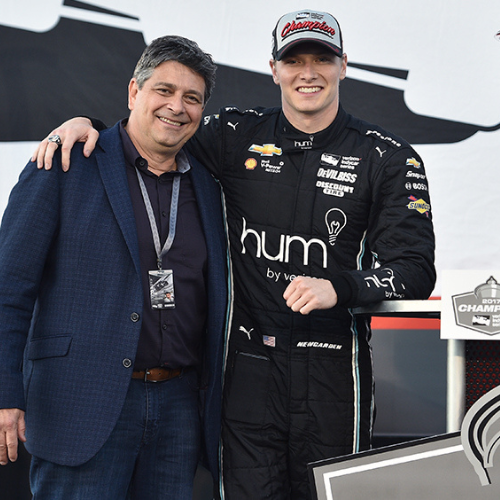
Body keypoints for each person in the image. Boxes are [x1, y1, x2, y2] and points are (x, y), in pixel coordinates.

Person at [32, 9, 436, 500]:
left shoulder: (390, 156)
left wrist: (341, 286)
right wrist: (85, 124)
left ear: (344, 65)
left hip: (333, 374)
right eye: (294, 60)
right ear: (274, 69)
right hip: (246, 376)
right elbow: (151, 132)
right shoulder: (233, 135)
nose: (308, 72)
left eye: (322, 59)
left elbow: (415, 271)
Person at [0, 35, 229, 500]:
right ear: (133, 92)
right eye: (163, 91)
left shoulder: (209, 184)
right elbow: (9, 288)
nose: (177, 107)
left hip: (179, 409)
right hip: (80, 402)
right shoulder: (64, 163)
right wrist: (5, 395)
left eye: (192, 98)